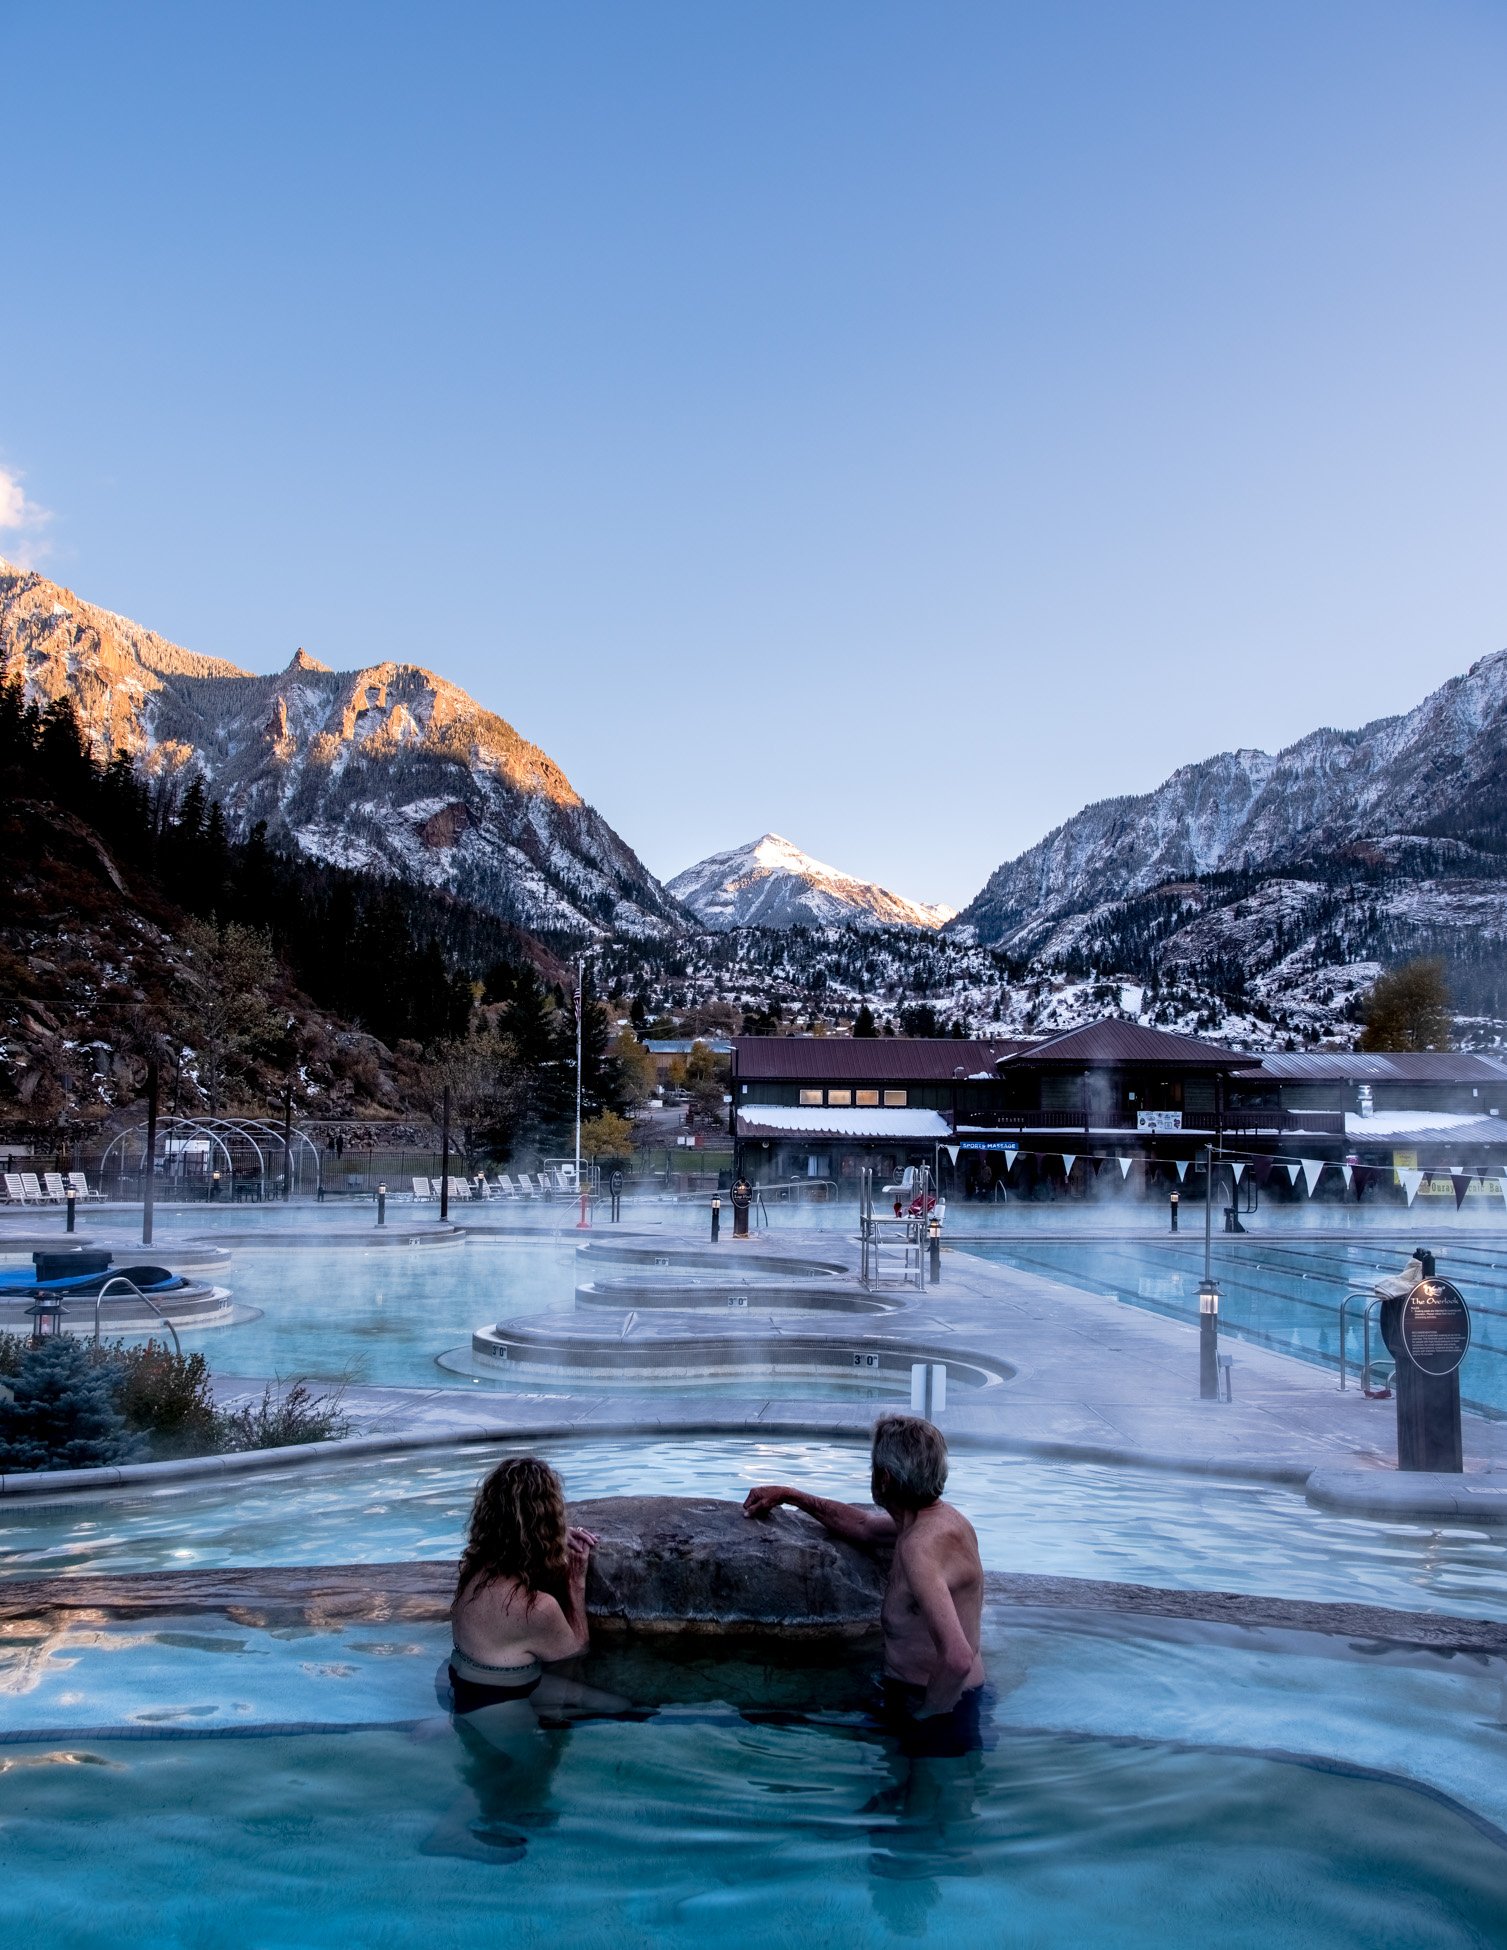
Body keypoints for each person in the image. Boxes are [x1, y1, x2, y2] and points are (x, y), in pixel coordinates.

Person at [742, 1413, 987, 1757]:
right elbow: (864, 1528)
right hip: (945, 1697)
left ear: (884, 1477)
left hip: (939, 1705)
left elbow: (957, 1658)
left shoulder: (921, 1547)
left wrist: (924, 1722)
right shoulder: (933, 1522)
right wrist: (789, 1495)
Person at [449, 1455, 598, 1712]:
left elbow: (514, 1535)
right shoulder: (537, 1607)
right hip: (501, 1707)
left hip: (462, 1684)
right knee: (624, 1711)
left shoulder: (470, 1570)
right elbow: (575, 1653)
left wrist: (552, 1534)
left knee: (615, 1706)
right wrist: (576, 1583)